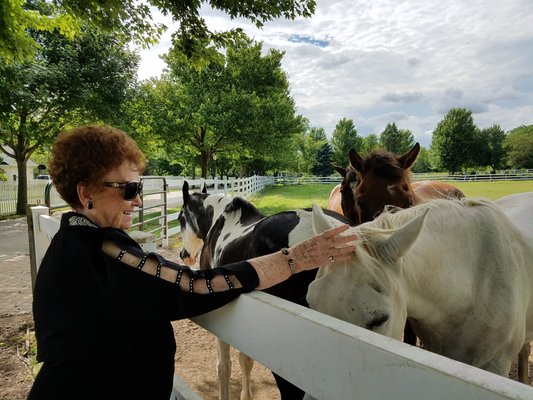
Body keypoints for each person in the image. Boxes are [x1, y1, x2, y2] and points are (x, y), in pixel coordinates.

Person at [28, 124, 357, 400]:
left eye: (138, 187)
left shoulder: (71, 240)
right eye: (128, 188)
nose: (138, 199)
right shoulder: (102, 250)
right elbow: (193, 285)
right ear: (86, 193)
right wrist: (294, 258)